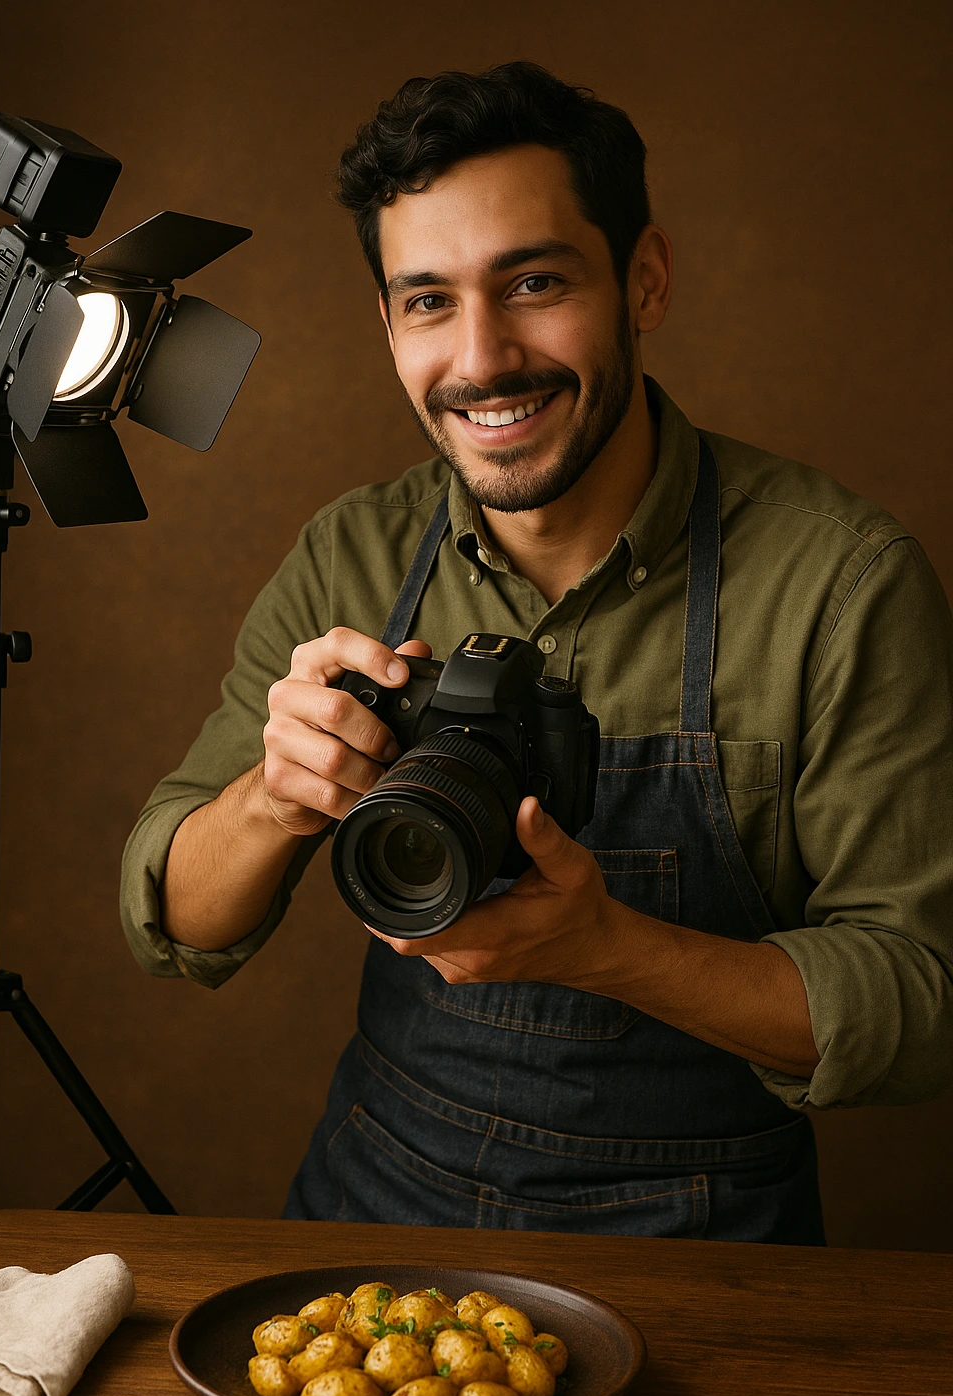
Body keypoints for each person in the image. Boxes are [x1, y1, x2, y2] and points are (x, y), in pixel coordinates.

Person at [121, 62, 953, 1243]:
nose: (482, 357)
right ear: (390, 325)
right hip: (375, 1208)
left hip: (707, 1244)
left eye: (535, 282)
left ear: (643, 280)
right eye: (428, 300)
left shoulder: (840, 582)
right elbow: (170, 920)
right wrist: (273, 796)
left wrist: (612, 950)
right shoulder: (352, 552)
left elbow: (921, 1003)